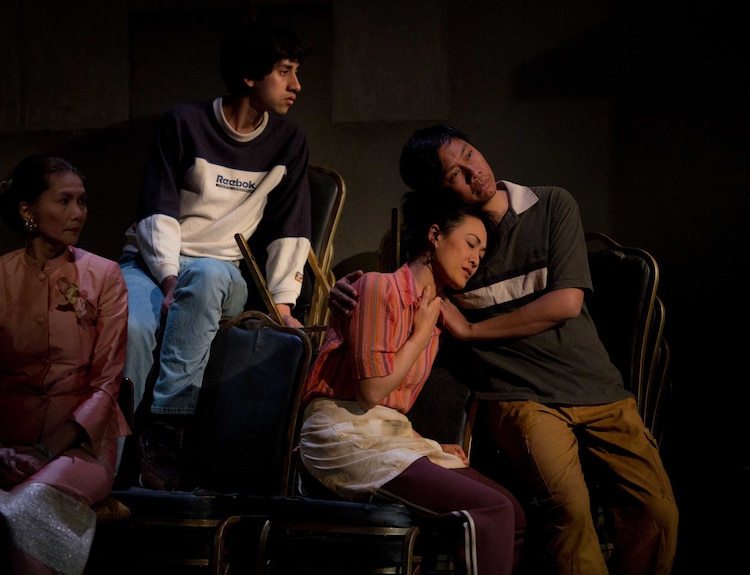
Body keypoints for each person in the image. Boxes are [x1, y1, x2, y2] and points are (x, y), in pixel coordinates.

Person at [331, 124, 679, 575]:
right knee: (568, 512)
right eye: (455, 173)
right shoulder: (457, 249)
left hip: (597, 389)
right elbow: (400, 290)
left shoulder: (550, 204)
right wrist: (350, 287)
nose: (473, 172)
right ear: (443, 195)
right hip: (519, 398)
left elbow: (567, 302)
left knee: (658, 513)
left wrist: (474, 332)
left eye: (470, 155)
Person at [118, 21, 312, 491]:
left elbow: (292, 225)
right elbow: (157, 206)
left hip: (222, 271)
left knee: (204, 276)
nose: (296, 85)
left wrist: (282, 304)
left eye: (296, 72)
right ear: (250, 76)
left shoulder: (288, 141)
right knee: (134, 326)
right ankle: (121, 455)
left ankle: (167, 429)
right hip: (152, 262)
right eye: (285, 72)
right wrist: (166, 279)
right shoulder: (185, 123)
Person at [300, 188, 526, 575]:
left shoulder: (435, 313)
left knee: (515, 514)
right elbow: (371, 391)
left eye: (481, 254)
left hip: (389, 433)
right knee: (491, 510)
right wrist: (421, 333)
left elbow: (392, 406)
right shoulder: (377, 287)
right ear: (434, 235)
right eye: (470, 244)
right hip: (344, 430)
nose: (474, 260)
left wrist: (428, 444)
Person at [0, 155, 130, 575]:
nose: (78, 213)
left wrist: (43, 452)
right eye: (64, 201)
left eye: (82, 201)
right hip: (2, 444)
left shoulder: (104, 274)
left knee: (28, 504)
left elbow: (106, 384)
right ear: (28, 211)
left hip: (80, 446)